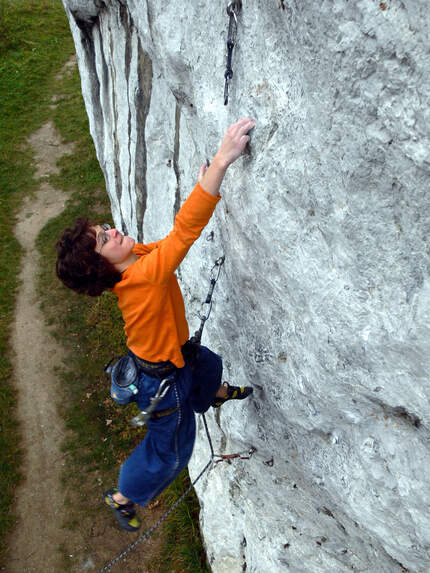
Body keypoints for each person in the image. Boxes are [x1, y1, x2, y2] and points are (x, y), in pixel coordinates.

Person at [55, 117, 256, 531]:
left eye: (104, 228)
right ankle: (123, 494)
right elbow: (184, 235)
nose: (112, 231)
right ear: (100, 264)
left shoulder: (137, 261)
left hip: (172, 358)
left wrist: (205, 188)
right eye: (103, 239)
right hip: (162, 383)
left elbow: (166, 243)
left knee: (205, 363)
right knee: (170, 453)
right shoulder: (143, 279)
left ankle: (212, 393)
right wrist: (220, 164)